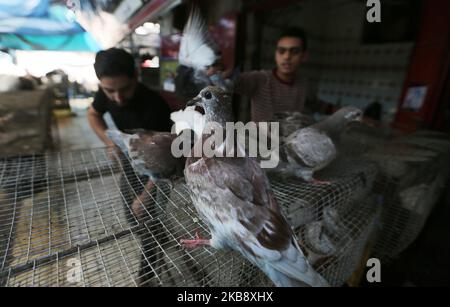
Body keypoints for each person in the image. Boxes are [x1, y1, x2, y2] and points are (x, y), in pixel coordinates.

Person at [87, 48, 172, 286]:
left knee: (148, 218)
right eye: (109, 91)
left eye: (124, 89)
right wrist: (110, 143)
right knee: (132, 215)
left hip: (161, 167)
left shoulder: (156, 107)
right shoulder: (108, 91)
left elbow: (167, 163)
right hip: (130, 160)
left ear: (135, 76)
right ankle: (156, 236)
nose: (117, 98)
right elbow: (93, 114)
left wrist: (145, 195)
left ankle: (145, 278)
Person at [233, 27, 332, 122]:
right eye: (281, 51)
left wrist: (344, 112)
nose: (287, 56)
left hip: (293, 138)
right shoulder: (261, 79)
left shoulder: (304, 84)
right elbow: (232, 81)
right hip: (260, 139)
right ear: (275, 54)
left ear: (304, 56)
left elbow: (319, 106)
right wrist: (224, 71)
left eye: (294, 51)